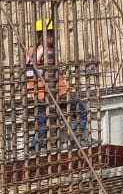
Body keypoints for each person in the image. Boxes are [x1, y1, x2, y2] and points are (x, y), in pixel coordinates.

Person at [26, 18, 87, 151]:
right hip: (54, 94)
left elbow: (31, 75)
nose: (55, 37)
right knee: (81, 110)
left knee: (42, 122)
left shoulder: (31, 51)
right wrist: (52, 99)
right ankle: (75, 140)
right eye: (53, 33)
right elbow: (50, 76)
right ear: (46, 34)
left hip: (38, 94)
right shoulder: (48, 52)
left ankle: (35, 147)